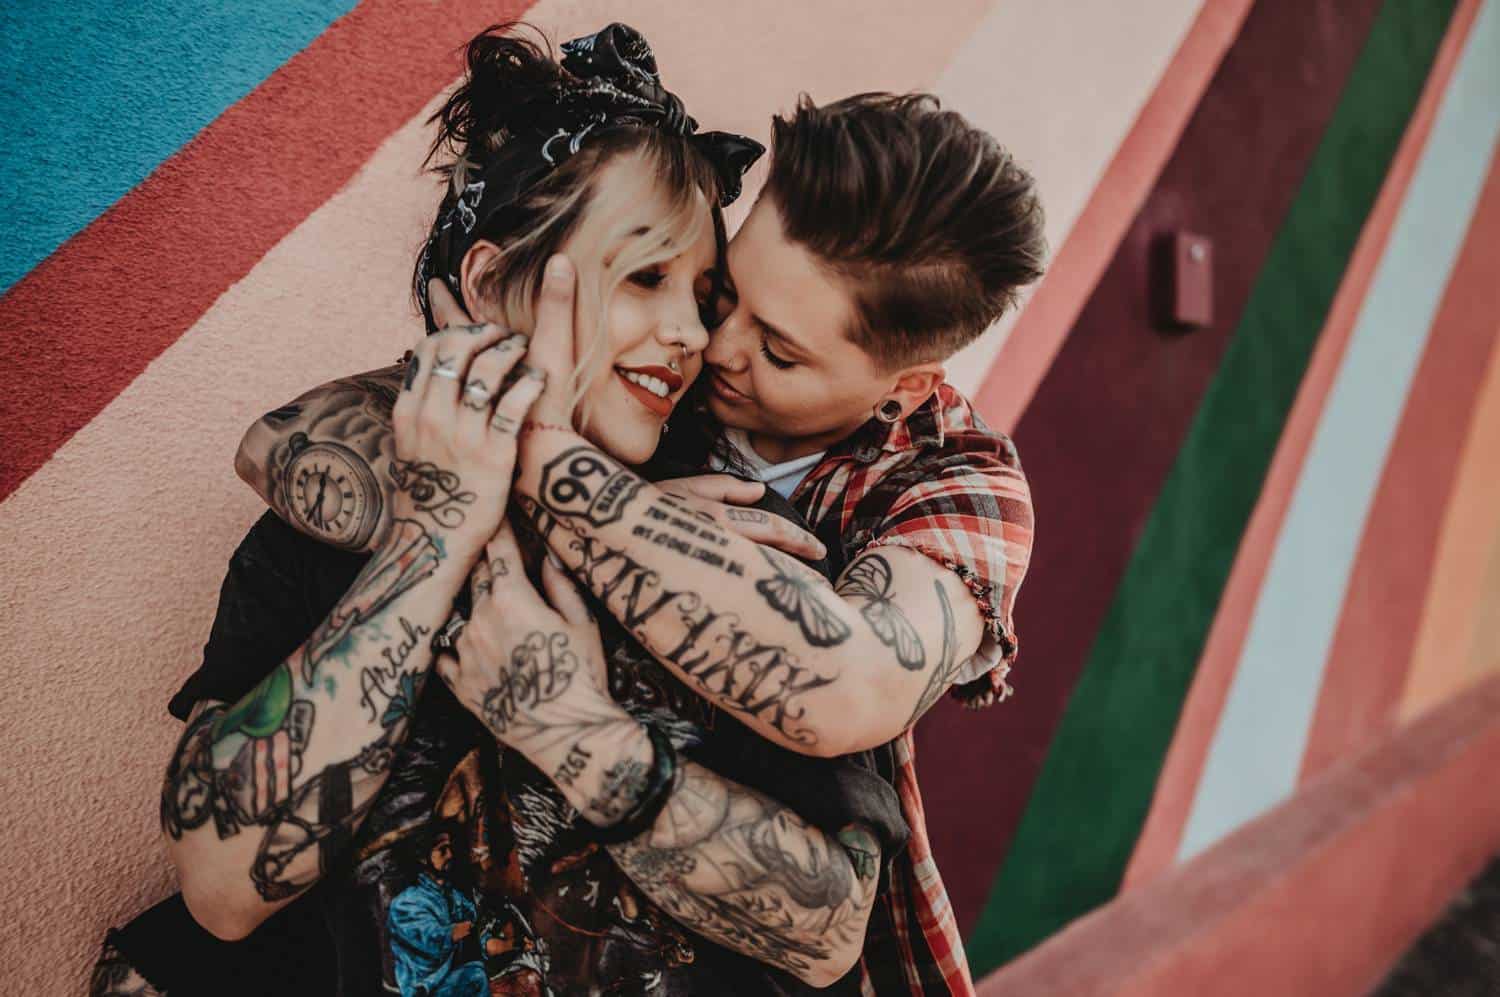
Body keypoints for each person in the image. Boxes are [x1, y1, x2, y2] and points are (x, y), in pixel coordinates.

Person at [93, 24, 908, 997]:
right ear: (486, 283)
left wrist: (573, 723)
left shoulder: (727, 549)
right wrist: (441, 534)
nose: (691, 334)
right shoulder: (350, 524)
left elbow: (824, 930)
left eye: (705, 294)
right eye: (644, 277)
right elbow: (224, 889)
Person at [240, 80, 1045, 997]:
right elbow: (287, 441)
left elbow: (848, 684)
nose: (713, 344)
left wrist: (547, 465)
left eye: (777, 352)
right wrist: (588, 508)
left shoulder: (956, 485)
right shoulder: (659, 388)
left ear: (900, 390)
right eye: (725, 292)